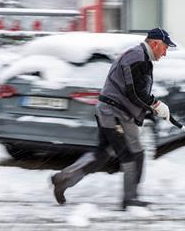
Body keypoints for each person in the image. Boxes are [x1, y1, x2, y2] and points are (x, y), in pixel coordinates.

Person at [51, 28, 177, 210]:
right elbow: (134, 92)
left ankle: (62, 179)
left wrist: (151, 107)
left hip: (116, 111)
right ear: (155, 43)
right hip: (114, 113)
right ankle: (130, 199)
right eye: (165, 48)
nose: (165, 53)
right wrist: (155, 105)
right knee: (132, 155)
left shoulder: (141, 57)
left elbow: (136, 91)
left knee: (103, 154)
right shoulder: (137, 57)